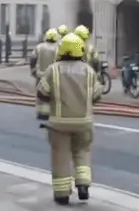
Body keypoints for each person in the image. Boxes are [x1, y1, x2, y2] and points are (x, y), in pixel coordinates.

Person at [36, 33, 103, 205]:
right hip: (84, 122)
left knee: (61, 157)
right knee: (83, 152)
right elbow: (97, 96)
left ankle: (62, 194)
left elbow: (42, 92)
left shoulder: (53, 70)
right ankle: (83, 184)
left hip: (59, 123)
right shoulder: (88, 70)